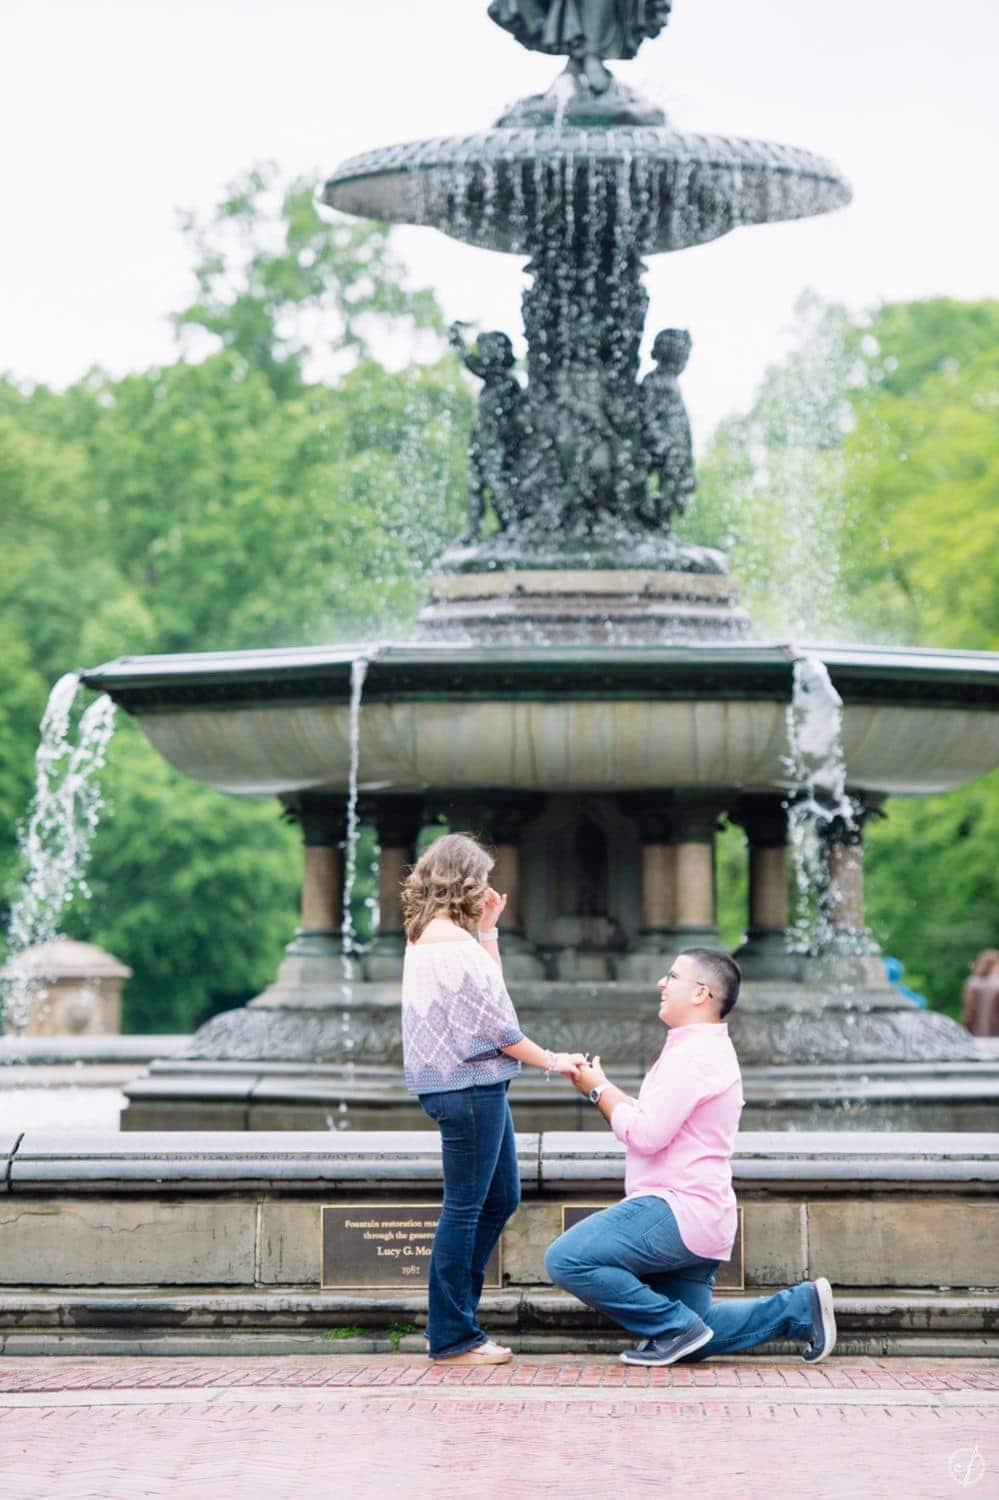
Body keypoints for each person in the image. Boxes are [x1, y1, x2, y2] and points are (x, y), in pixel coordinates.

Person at [544, 949, 838, 1366]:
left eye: (672, 976)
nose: (661, 984)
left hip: (675, 1210)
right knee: (700, 1332)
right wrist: (604, 1084)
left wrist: (597, 1092)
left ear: (700, 993)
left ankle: (674, 1327)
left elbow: (644, 1135)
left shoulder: (693, 1056)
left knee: (567, 1259)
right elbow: (655, 1121)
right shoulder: (701, 1049)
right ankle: (798, 1307)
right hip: (702, 1217)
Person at [401, 831, 586, 1366]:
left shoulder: (424, 936)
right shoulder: (453, 946)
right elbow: (503, 1028)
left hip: (455, 1086)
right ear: (464, 883)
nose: (487, 888)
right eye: (481, 880)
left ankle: (457, 1321)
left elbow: (490, 999)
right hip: (470, 1088)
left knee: (501, 1196)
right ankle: (454, 1336)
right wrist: (555, 1061)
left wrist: (489, 932)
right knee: (463, 1210)